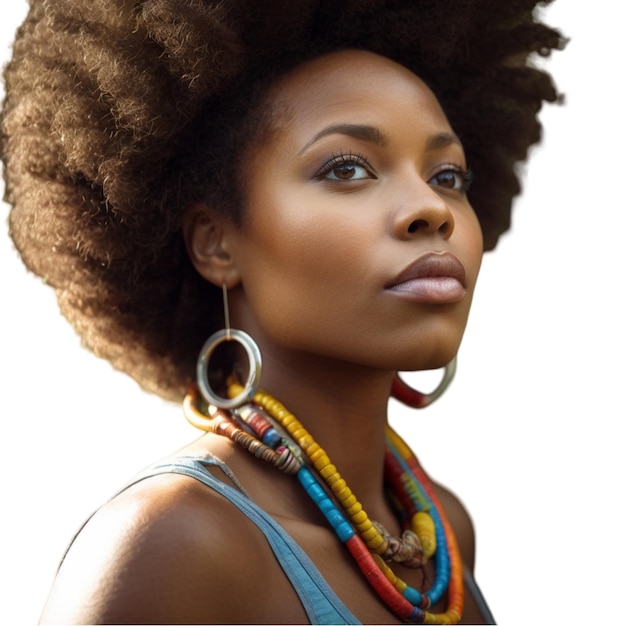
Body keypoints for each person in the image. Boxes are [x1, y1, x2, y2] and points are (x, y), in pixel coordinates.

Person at [1, 1, 564, 623]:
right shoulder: (176, 543)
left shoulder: (441, 534)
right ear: (216, 243)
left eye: (448, 175)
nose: (432, 210)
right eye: (347, 168)